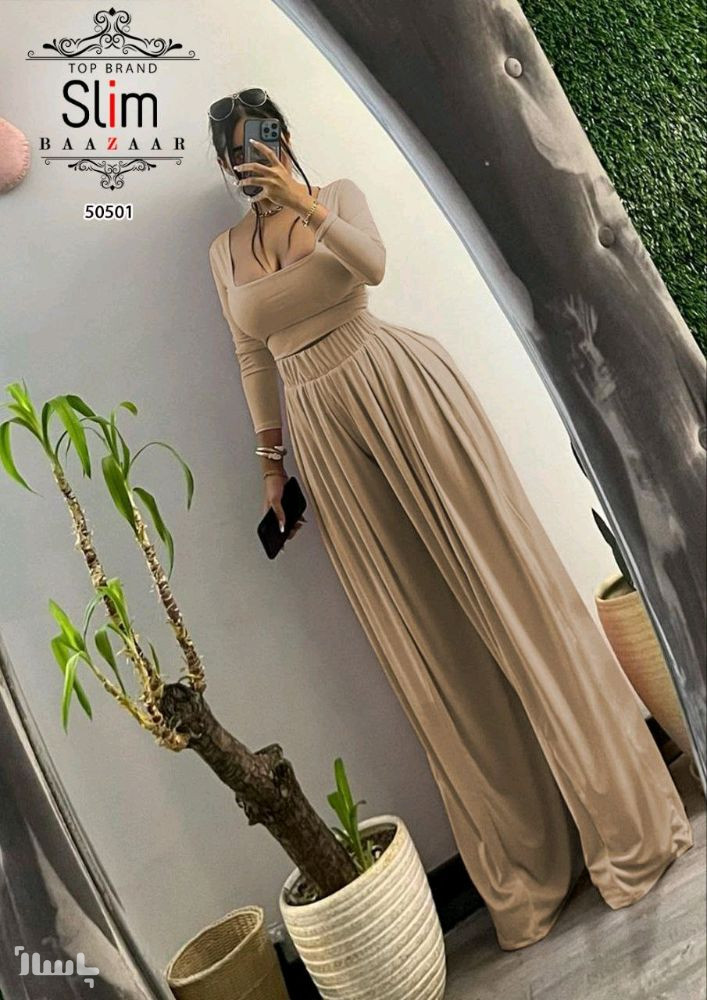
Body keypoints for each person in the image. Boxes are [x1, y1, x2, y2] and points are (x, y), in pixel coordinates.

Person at [206, 88, 693, 951]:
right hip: (324, 434)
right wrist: (271, 469)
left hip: (402, 393)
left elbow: (371, 266)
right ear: (222, 162)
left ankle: (626, 825)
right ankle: (529, 868)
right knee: (430, 647)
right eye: (239, 150)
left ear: (286, 137)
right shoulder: (221, 254)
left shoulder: (337, 196)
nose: (255, 159)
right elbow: (252, 355)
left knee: (513, 598)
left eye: (265, 139)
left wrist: (304, 204)